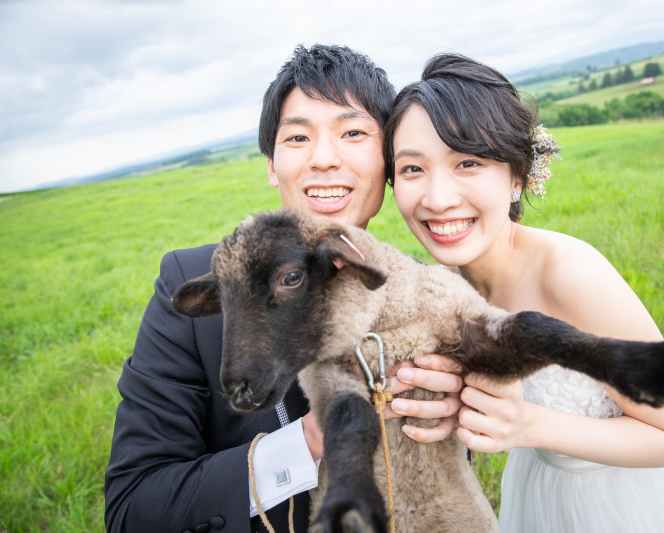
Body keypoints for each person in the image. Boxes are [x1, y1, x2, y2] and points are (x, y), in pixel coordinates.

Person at [385, 53, 664, 532]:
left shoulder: (569, 273)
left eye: (468, 162)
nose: (438, 197)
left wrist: (527, 425)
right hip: (544, 491)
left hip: (638, 500)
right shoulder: (446, 287)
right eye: (412, 169)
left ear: (516, 177)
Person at [104, 44, 464, 533]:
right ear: (272, 165)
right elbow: (133, 507)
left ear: (387, 162)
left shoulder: (421, 292)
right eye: (297, 137)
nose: (323, 158)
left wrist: (459, 415)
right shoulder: (189, 282)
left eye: (353, 133)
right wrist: (312, 441)